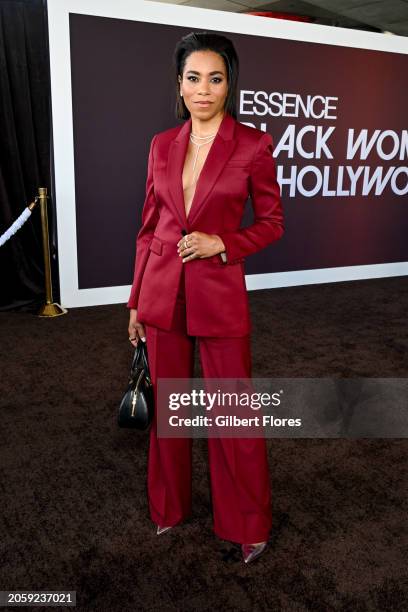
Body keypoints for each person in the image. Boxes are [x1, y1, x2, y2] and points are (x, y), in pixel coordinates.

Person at [127, 31, 284, 564]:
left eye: (215, 79)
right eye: (193, 78)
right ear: (179, 83)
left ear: (228, 84)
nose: (203, 89)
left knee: (232, 412)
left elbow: (271, 223)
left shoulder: (253, 146)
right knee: (169, 407)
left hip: (219, 292)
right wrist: (135, 301)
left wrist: (225, 243)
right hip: (162, 291)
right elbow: (149, 229)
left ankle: (246, 523)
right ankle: (168, 509)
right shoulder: (160, 144)